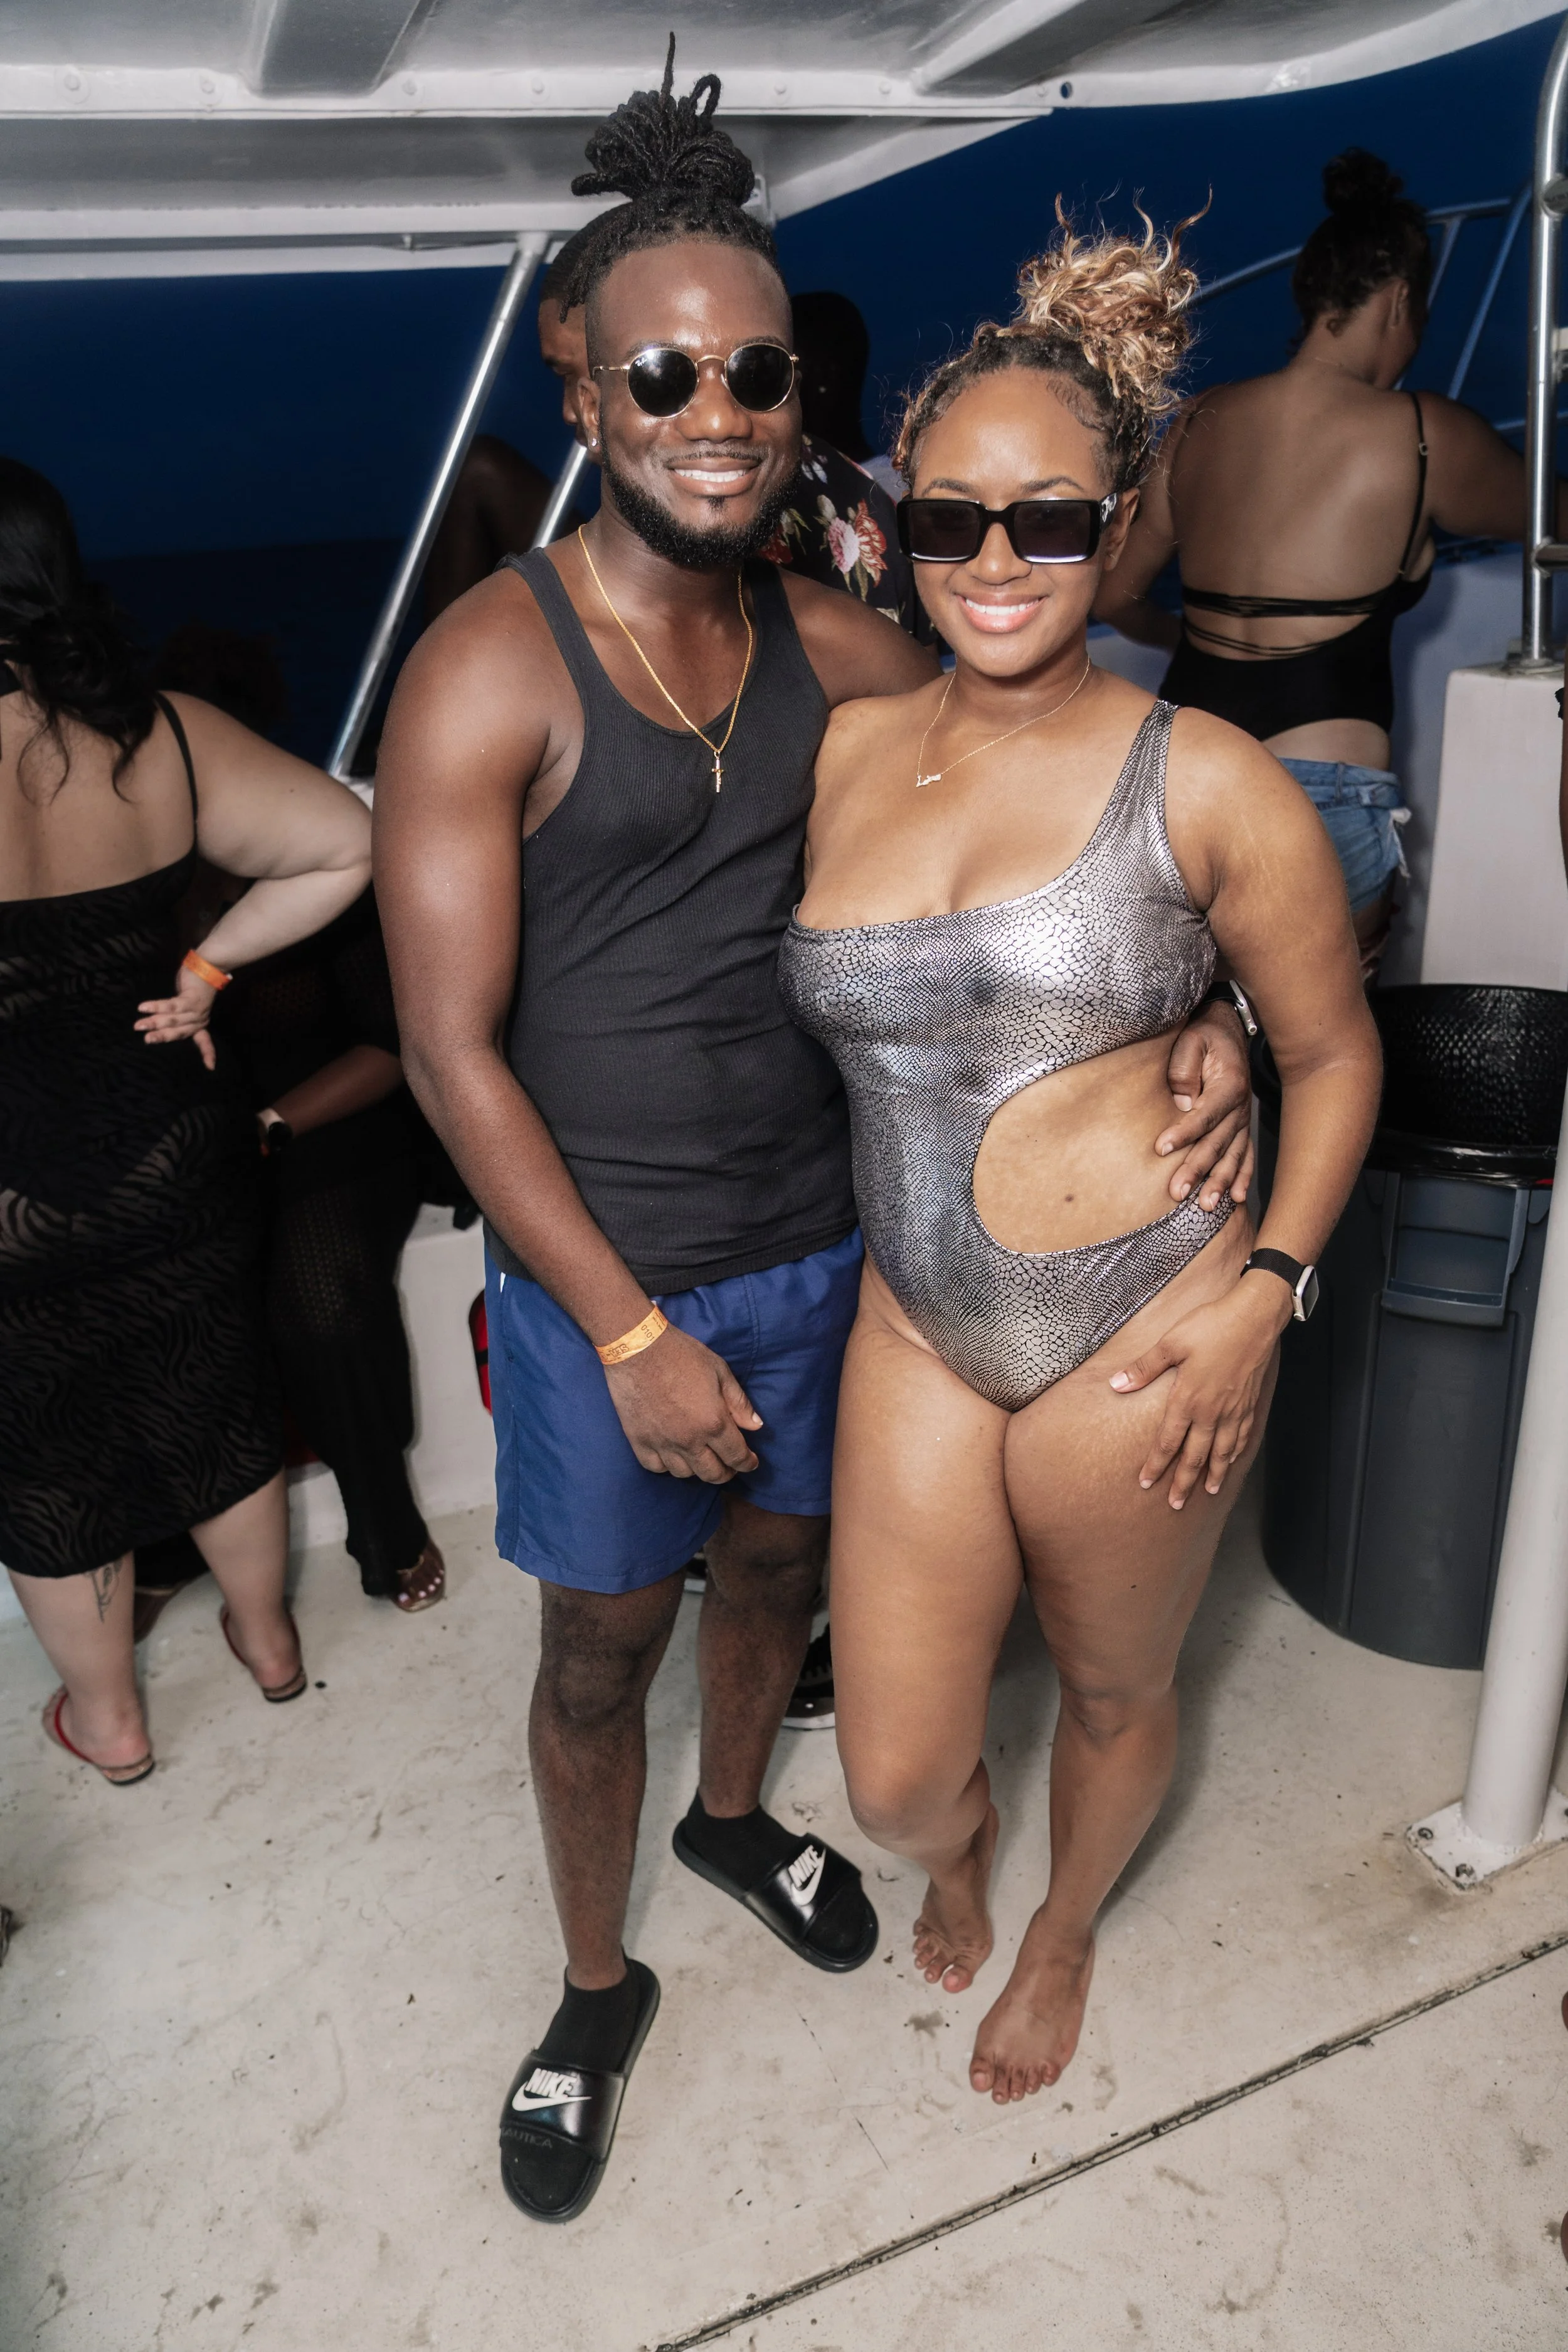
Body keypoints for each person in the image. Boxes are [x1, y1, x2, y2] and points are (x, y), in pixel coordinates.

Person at [374, 60, 1256, 2223]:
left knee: (777, 1577)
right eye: (664, 372)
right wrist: (628, 1333)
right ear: (583, 388)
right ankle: (593, 1988)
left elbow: (1079, 787)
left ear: (797, 395)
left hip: (841, 1262)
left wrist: (1217, 1015)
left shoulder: (839, 643)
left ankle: (728, 1822)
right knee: (602, 1651)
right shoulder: (488, 672)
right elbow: (445, 1051)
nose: (718, 410)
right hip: (612, 1281)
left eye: (756, 371)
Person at [778, 213, 1384, 2108]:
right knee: (891, 1778)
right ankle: (960, 1853)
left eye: (1045, 521)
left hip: (1142, 1328)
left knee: (1117, 1689)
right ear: (898, 525)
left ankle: (1058, 1925)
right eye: (949, 519)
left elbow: (1333, 1051)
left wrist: (1262, 1301)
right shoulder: (847, 749)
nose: (993, 562)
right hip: (916, 1327)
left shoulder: (1206, 775)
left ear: (1117, 527)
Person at [0, 458, 373, 1781]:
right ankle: (269, 1645)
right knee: (211, 1398)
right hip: (170, 1143)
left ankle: (109, 1725)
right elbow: (343, 843)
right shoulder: (157, 732)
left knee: (45, 1455)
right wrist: (207, 968)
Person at [1094, 151, 1559, 975]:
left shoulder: (1199, 423)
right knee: (1322, 1035)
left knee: (1190, 1025)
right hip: (1323, 787)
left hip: (1183, 771)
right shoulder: (1423, 436)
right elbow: (1552, 521)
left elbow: (1116, 597)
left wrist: (1187, 639)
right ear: (1401, 300)